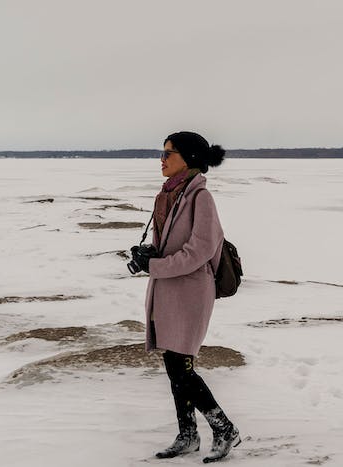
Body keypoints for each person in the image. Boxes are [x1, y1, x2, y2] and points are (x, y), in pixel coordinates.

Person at [128, 131, 241, 463]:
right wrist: (148, 254)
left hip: (191, 290)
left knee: (181, 365)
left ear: (188, 158)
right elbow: (169, 245)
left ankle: (224, 428)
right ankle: (188, 434)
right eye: (161, 153)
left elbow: (200, 251)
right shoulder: (167, 194)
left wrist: (157, 266)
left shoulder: (200, 198)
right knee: (173, 362)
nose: (161, 160)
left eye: (168, 153)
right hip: (168, 288)